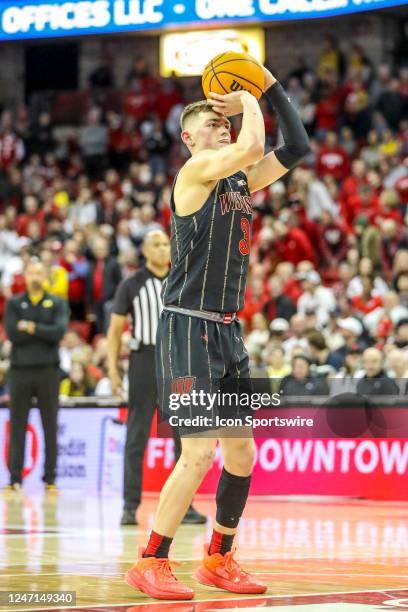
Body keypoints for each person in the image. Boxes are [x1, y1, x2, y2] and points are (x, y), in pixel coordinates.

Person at [124, 63, 309, 599]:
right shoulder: (195, 173)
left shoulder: (238, 180)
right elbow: (253, 145)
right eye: (211, 119)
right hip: (186, 329)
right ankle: (152, 559)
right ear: (188, 137)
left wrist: (269, 85)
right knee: (198, 452)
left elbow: (294, 146)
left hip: (227, 332)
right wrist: (246, 99)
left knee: (243, 453)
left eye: (223, 119)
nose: (222, 124)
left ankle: (219, 557)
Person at [107, 230, 206, 526]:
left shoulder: (181, 279)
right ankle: (129, 505)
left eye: (166, 244)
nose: (164, 249)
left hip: (177, 360)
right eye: (157, 245)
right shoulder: (132, 284)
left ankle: (185, 507)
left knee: (183, 437)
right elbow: (114, 331)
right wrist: (113, 370)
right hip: (144, 361)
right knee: (137, 434)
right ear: (146, 252)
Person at [4, 259, 69, 492]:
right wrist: (42, 330)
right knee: (18, 426)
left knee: (50, 425)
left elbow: (58, 332)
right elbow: (12, 333)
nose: (35, 276)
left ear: (45, 276)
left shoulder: (58, 303)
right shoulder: (14, 303)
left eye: (39, 272)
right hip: (20, 371)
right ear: (25, 275)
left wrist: (30, 327)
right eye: (31, 272)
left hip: (48, 371)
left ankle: (50, 479)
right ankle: (15, 479)